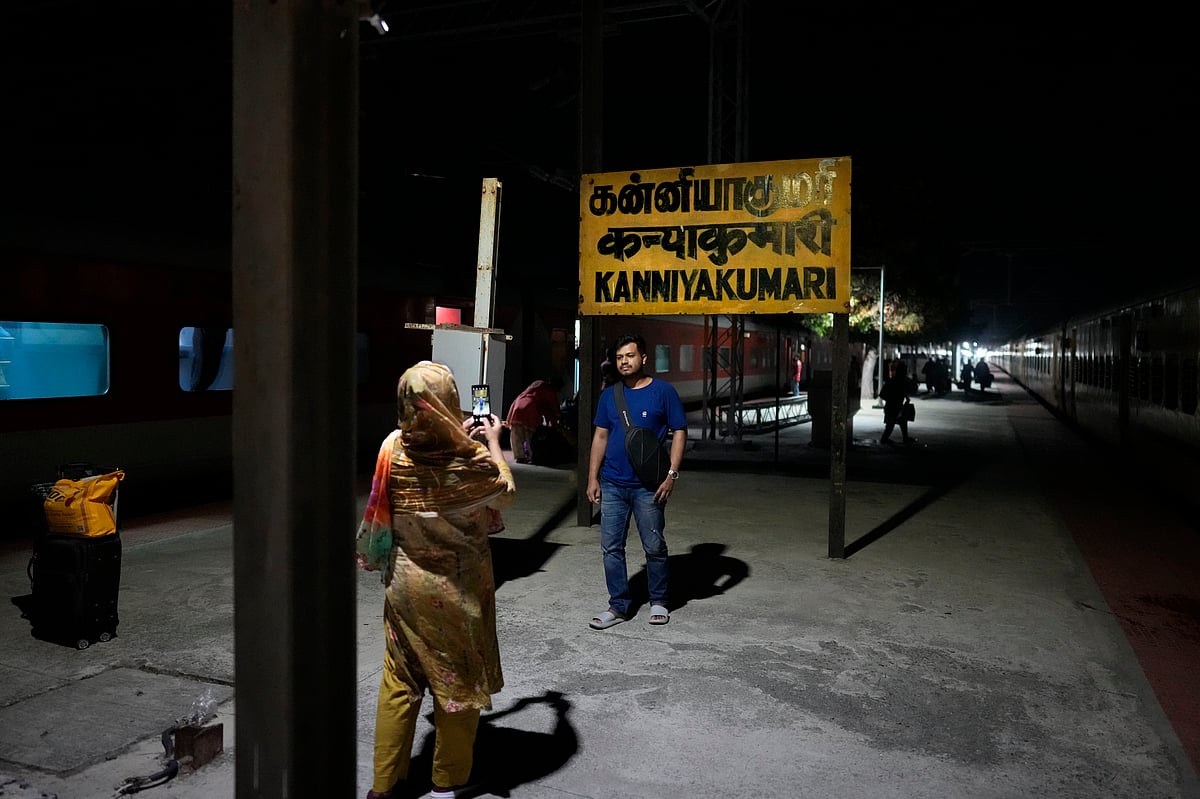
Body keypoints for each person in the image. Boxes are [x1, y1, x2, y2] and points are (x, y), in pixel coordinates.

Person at [355, 361, 516, 799]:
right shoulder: (470, 460)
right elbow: (505, 492)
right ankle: (447, 782)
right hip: (458, 593)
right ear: (448, 403)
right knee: (457, 683)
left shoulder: (392, 447)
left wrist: (452, 432)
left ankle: (384, 786)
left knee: (399, 681)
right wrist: (493, 442)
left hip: (405, 587)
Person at [585, 333, 687, 629]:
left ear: (643, 358)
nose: (624, 362)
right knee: (611, 547)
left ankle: (659, 600)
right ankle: (618, 606)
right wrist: (592, 478)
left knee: (654, 545)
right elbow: (600, 437)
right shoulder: (610, 395)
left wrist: (672, 474)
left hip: (649, 486)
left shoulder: (663, 392)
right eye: (619, 358)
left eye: (629, 356)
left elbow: (679, 431)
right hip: (613, 483)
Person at [505, 375, 563, 464]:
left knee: (516, 433)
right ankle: (532, 455)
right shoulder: (550, 391)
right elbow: (554, 411)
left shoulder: (537, 383)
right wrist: (557, 425)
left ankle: (520, 456)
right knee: (529, 435)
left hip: (518, 405)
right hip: (530, 409)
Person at [879, 360, 915, 445]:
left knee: (901, 423)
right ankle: (884, 439)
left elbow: (883, 394)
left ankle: (903, 438)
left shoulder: (895, 381)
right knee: (892, 425)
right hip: (893, 407)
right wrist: (892, 399)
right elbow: (883, 394)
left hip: (894, 407)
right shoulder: (897, 381)